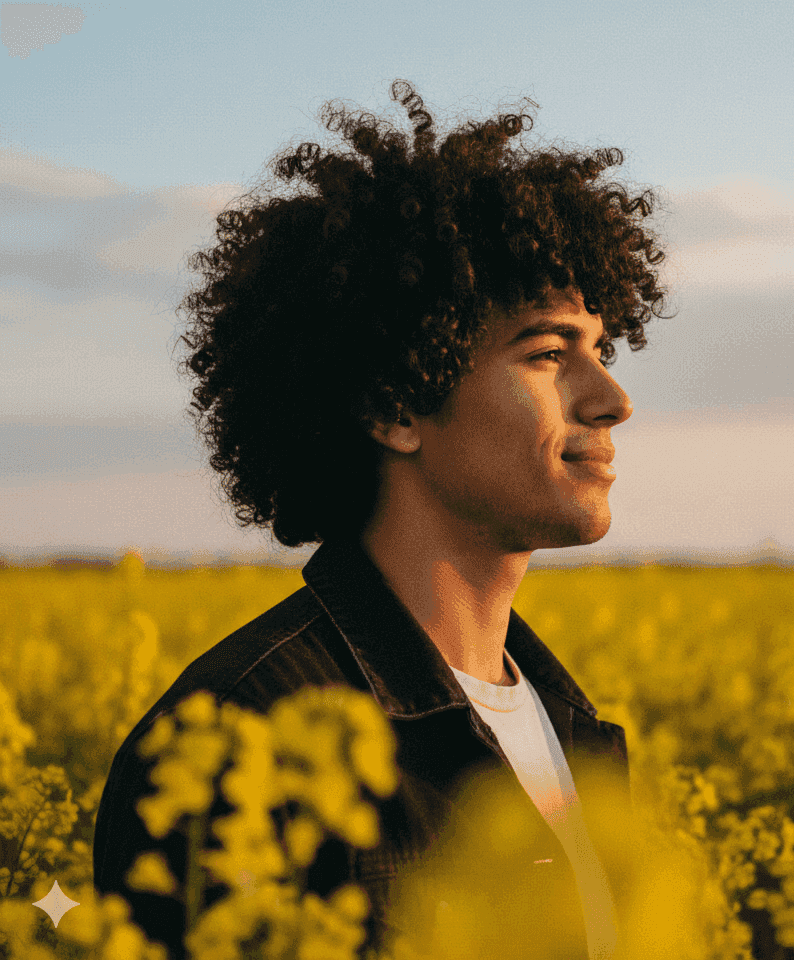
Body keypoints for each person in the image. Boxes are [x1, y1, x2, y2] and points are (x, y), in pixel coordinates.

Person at [92, 79, 671, 960]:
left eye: (603, 350)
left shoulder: (571, 727)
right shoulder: (241, 741)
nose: (612, 400)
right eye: (550, 353)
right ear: (395, 403)